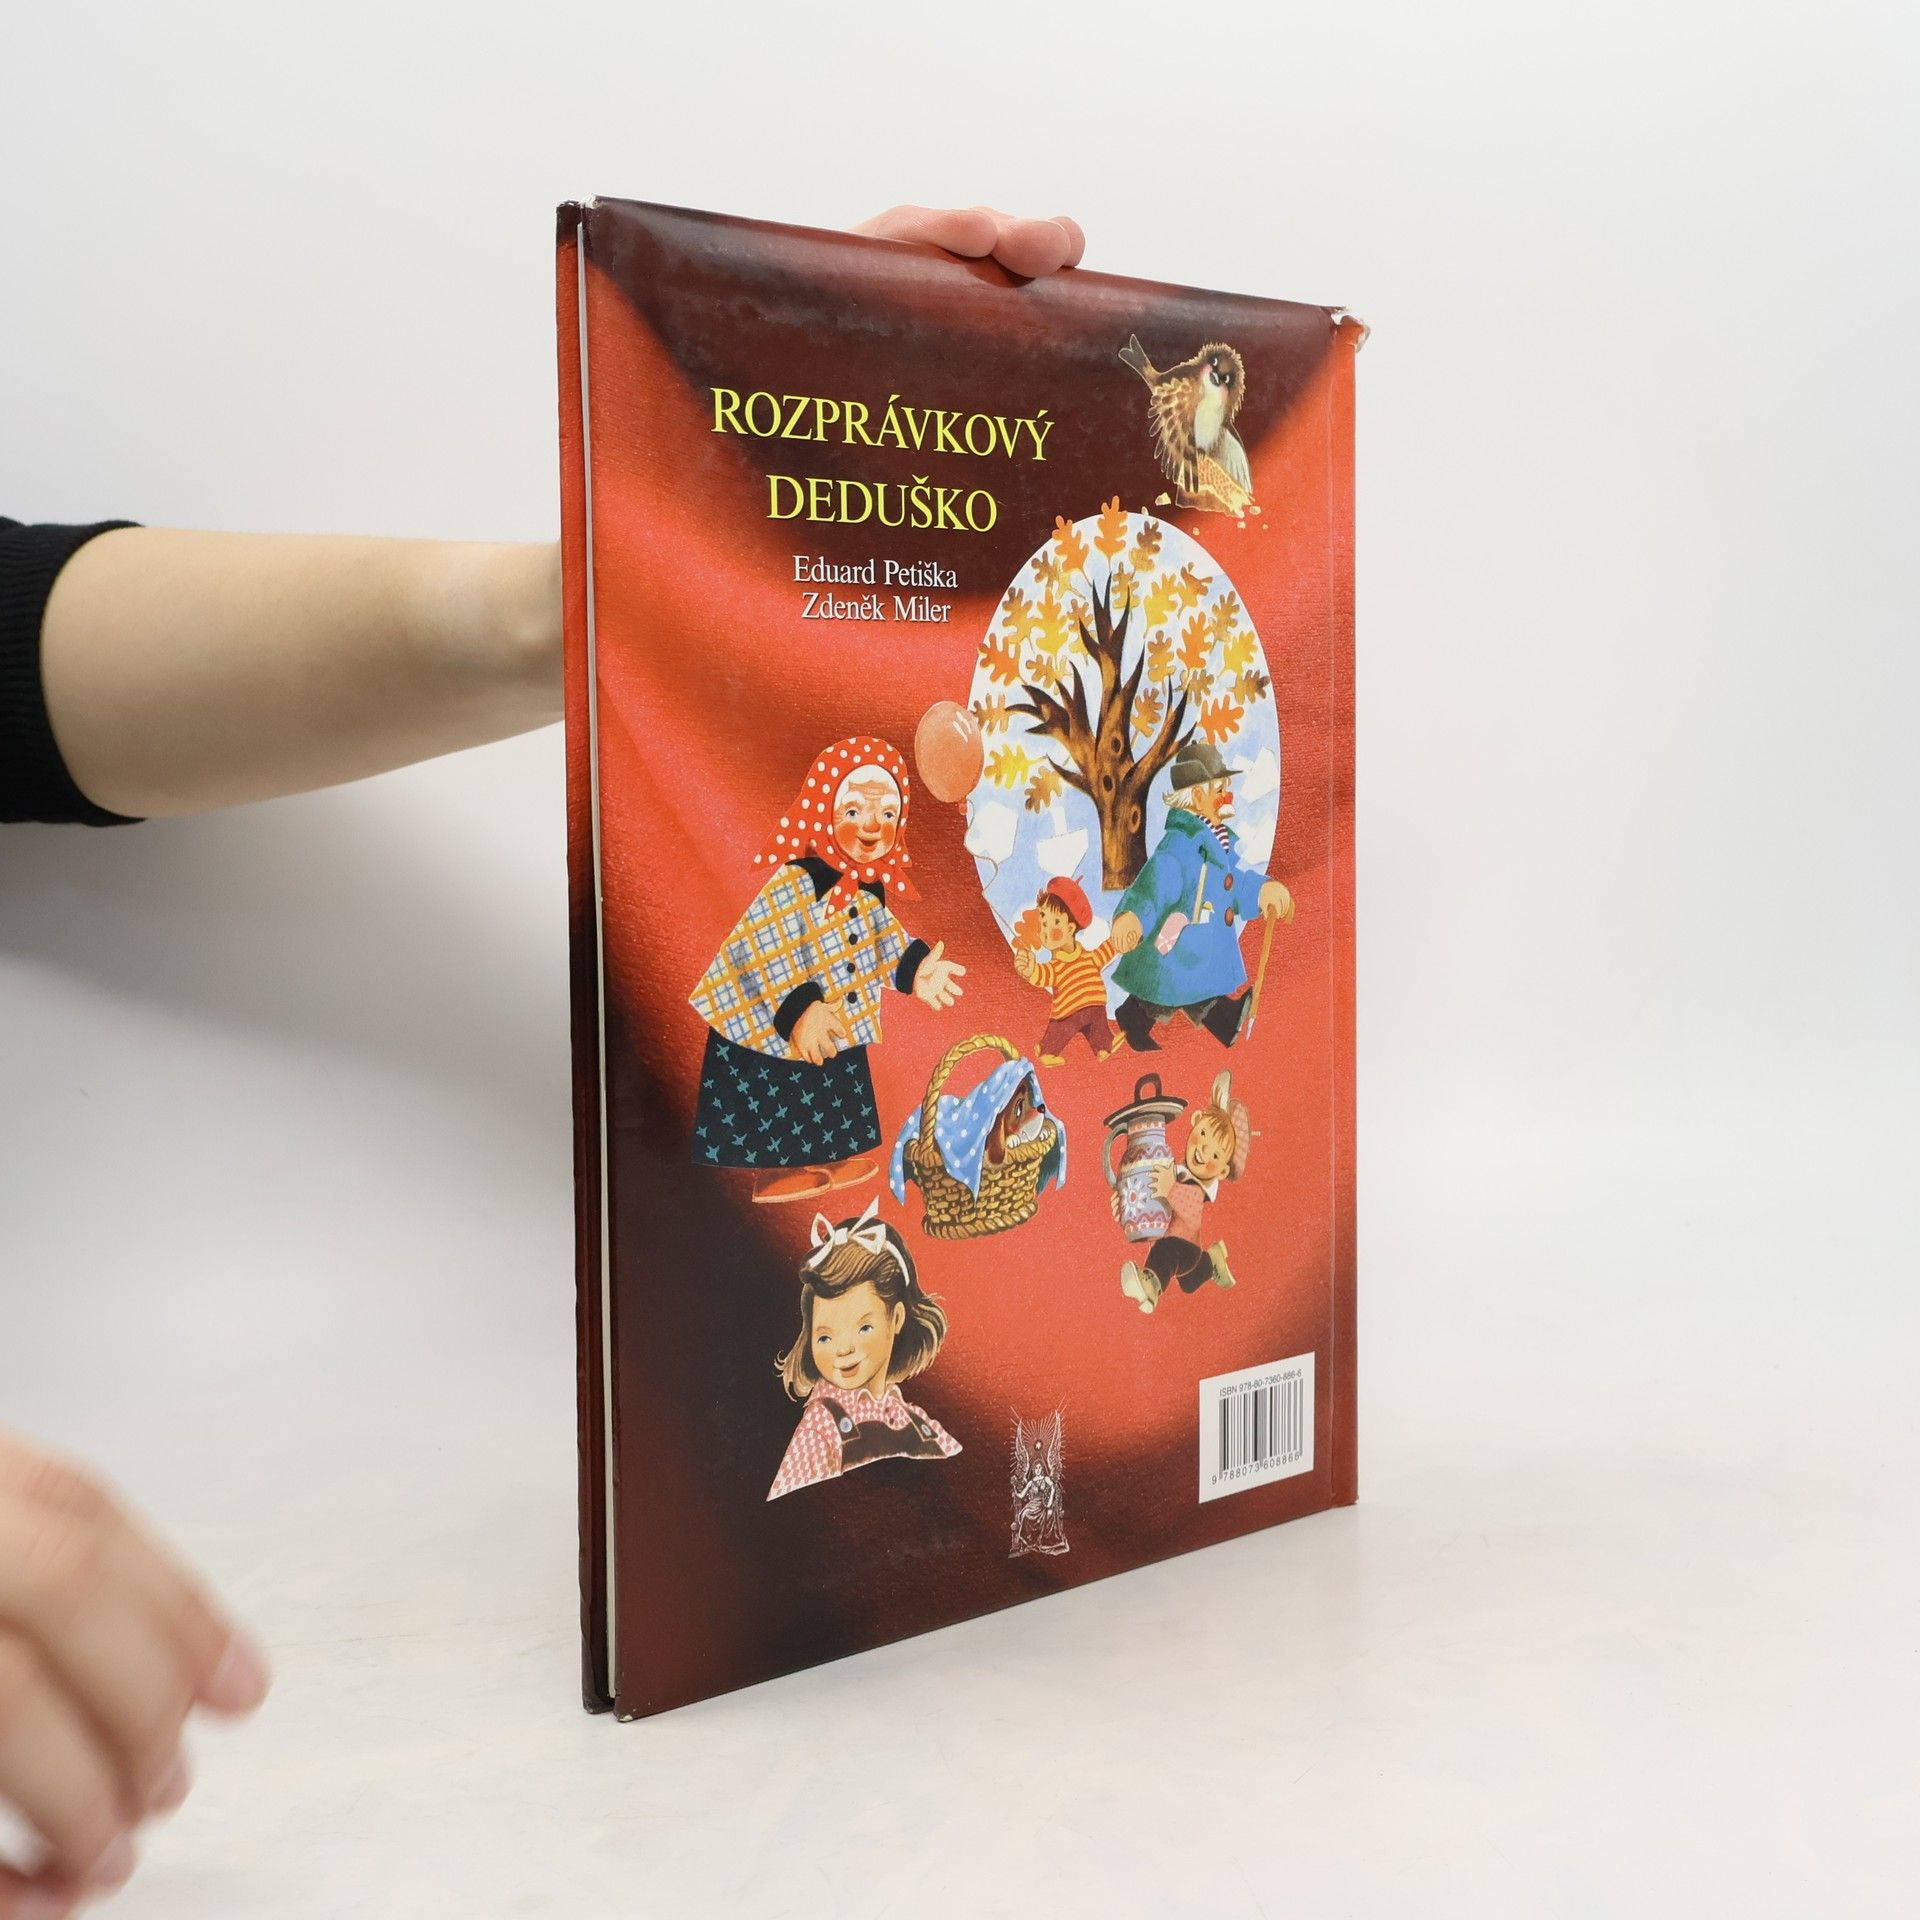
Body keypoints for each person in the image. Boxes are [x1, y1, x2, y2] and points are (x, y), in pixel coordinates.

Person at [0, 202, 1085, 1917]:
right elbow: (762, 973)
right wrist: (808, 1002)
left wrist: (680, 559)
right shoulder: (795, 897)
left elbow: (16, 646)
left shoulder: (857, 887)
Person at [688, 736, 965, 1204]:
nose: (872, 826)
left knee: (829, 1085)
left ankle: (830, 1155)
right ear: (821, 811)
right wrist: (799, 1011)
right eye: (854, 811)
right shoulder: (797, 881)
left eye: (887, 813)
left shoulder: (867, 887)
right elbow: (764, 950)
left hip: (832, 1018)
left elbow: (883, 940)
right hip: (772, 1022)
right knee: (777, 1089)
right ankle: (775, 1171)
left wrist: (916, 970)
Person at [1107, 739, 1294, 1052]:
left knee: (1190, 988)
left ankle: (1222, 1022)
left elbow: (1233, 885)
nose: (1227, 795)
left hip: (1197, 945)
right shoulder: (1181, 846)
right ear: (1197, 796)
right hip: (1179, 943)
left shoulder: (1215, 841)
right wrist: (1134, 917)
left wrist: (1262, 890)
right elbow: (1155, 887)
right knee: (1171, 988)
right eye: (1219, 789)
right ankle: (1135, 1019)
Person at [766, 1202, 960, 1500]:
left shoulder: (915, 1421)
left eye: (864, 1328)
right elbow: (789, 1508)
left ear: (896, 1319)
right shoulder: (820, 1429)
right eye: (825, 1337)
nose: (843, 1349)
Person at [1115, 1070, 1252, 1313]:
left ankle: (1150, 1287)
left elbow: (1191, 1212)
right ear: (1196, 1120)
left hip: (1183, 1247)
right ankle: (1211, 1261)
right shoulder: (1177, 1171)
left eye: (1215, 1155)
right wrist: (1126, 1205)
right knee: (1189, 1283)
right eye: (1203, 1134)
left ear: (1222, 1171)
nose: (1203, 1151)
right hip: (1185, 1251)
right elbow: (1149, 1198)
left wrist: (1169, 1187)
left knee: (1164, 1253)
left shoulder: (1197, 1188)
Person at [1012, 877, 1123, 1064]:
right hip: (1068, 1012)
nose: (1045, 930)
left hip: (1094, 1007)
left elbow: (1105, 952)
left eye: (1054, 922)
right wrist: (1030, 970)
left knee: (1099, 1024)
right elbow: (1042, 975)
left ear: (1070, 928)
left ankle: (1104, 1045)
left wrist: (1118, 941)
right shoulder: (1055, 967)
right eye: (1043, 923)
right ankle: (1046, 1050)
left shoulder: (1088, 957)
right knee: (1060, 1031)